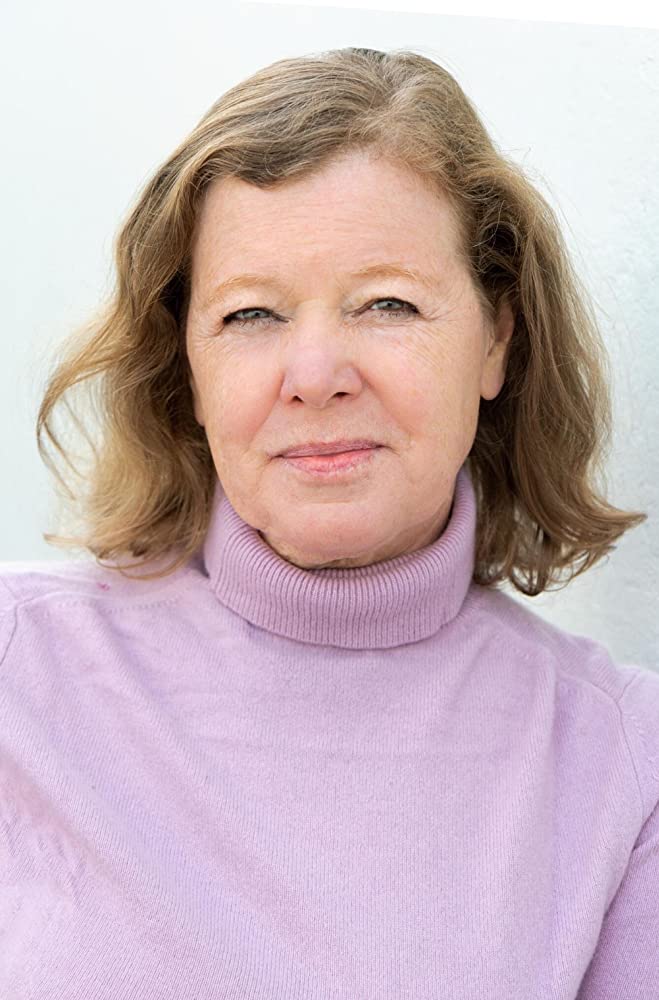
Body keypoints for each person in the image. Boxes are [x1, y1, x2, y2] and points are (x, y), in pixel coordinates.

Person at [1, 46, 657, 999]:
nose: (314, 375)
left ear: (496, 340)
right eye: (250, 315)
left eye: (387, 303)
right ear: (187, 366)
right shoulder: (18, 668)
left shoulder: (622, 762)